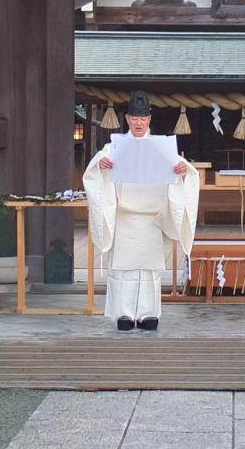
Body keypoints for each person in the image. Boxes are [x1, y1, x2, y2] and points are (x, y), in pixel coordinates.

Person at [84, 92, 199, 331]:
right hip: (125, 216)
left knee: (149, 270)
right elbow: (95, 172)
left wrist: (182, 170)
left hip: (152, 218)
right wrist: (101, 165)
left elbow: (184, 170)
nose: (138, 122)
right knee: (123, 269)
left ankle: (148, 314)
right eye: (134, 117)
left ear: (149, 119)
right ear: (127, 119)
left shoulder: (161, 147)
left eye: (142, 118)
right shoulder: (113, 147)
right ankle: (124, 314)